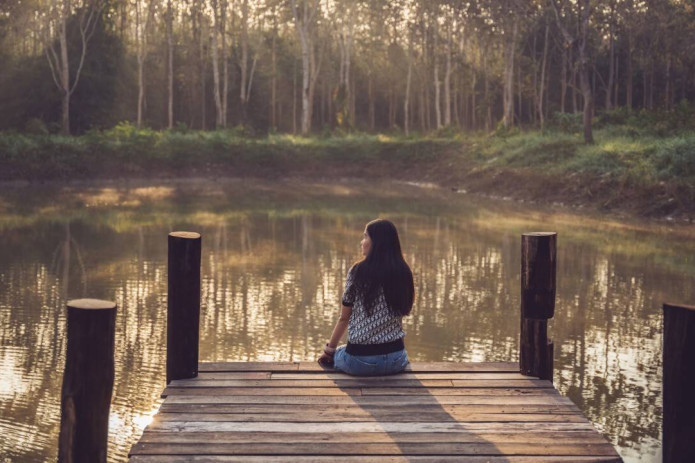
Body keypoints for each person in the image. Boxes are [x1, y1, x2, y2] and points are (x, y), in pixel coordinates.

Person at [318, 218, 414, 376]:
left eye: (365, 237)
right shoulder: (403, 271)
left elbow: (344, 318)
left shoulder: (358, 272)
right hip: (397, 360)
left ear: (376, 242)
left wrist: (329, 352)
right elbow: (399, 318)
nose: (362, 242)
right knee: (344, 350)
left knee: (339, 352)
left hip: (361, 362)